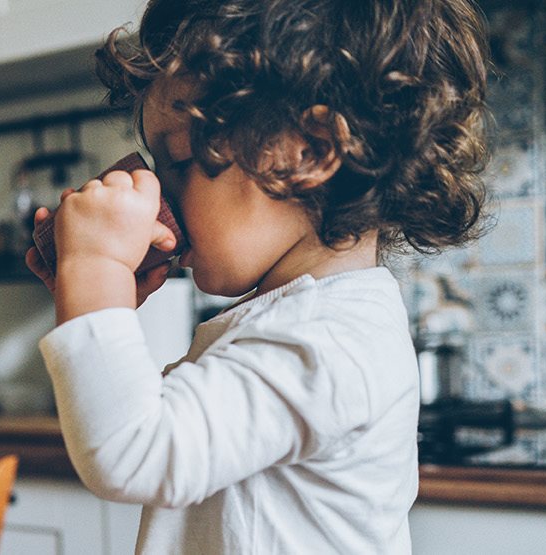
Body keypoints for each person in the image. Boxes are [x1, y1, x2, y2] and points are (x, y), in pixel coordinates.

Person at [25, 0, 489, 552]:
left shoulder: (329, 338)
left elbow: (133, 451)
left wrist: (93, 266)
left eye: (178, 160)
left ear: (309, 153)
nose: (161, 191)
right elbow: (158, 426)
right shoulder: (301, 320)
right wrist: (101, 295)